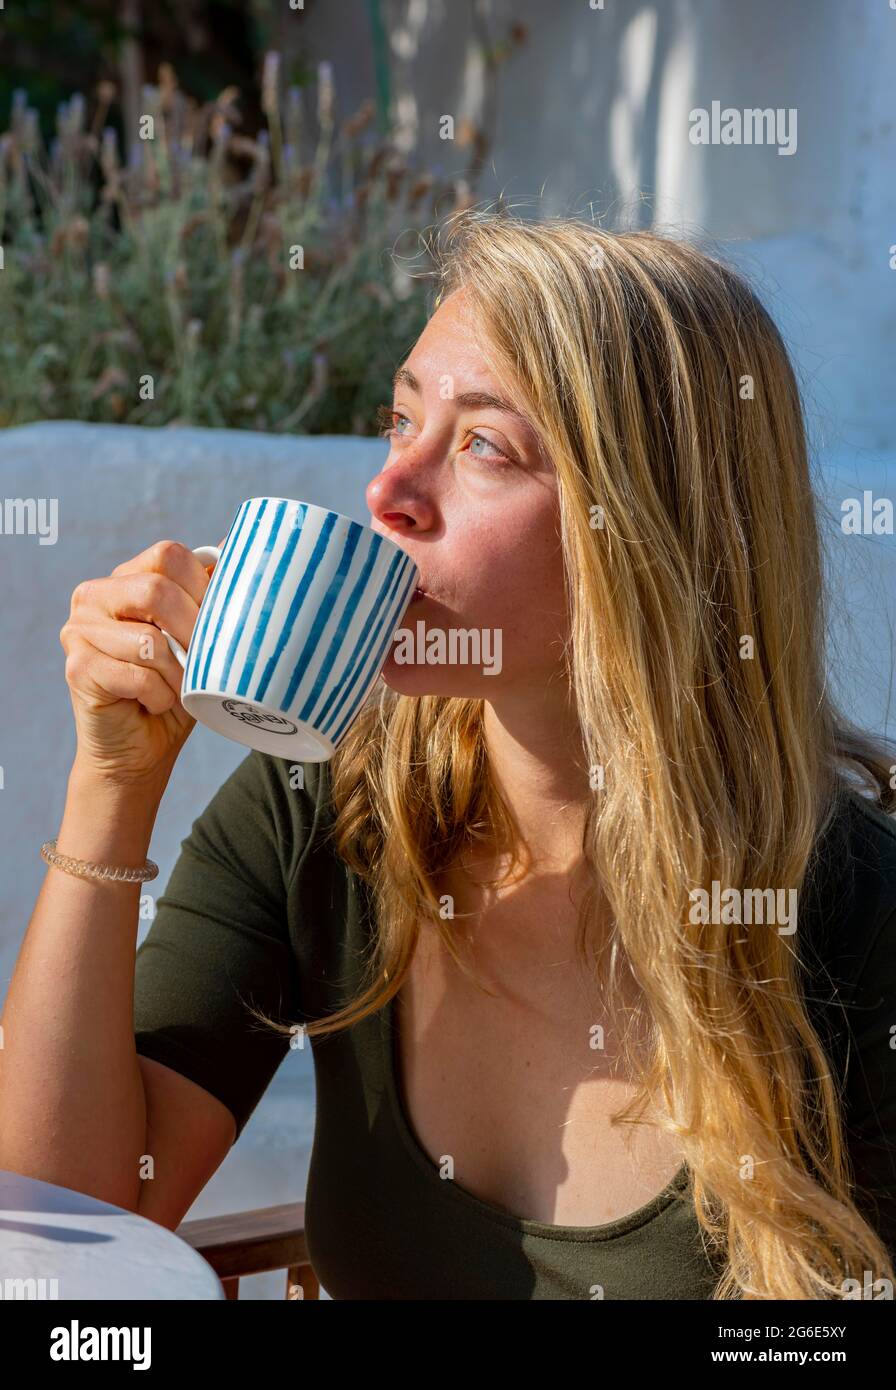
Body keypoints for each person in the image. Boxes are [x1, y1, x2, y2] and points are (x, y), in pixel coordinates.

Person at [2, 209, 895, 1301]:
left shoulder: (851, 917)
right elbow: (68, 1215)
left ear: (652, 529)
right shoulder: (324, 804)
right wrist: (111, 786)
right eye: (399, 420)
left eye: (481, 445)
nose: (387, 494)